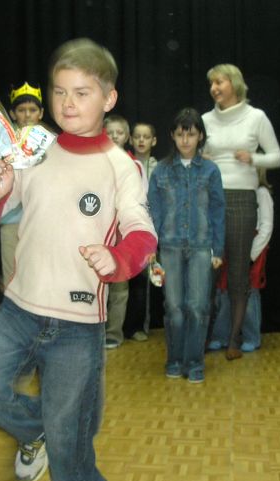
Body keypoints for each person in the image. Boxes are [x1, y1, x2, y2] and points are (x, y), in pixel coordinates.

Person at [0, 38, 157, 481]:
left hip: (77, 325)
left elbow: (142, 233)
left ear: (109, 99)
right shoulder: (34, 145)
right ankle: (40, 429)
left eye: (82, 92)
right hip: (18, 311)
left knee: (71, 449)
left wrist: (118, 258)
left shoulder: (121, 166)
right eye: (59, 91)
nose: (67, 103)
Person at [202, 63, 280, 361]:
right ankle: (207, 336)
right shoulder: (205, 119)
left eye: (219, 82)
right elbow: (191, 155)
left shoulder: (256, 117)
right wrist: (201, 157)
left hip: (242, 199)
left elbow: (277, 157)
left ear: (234, 84)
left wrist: (254, 157)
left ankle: (235, 339)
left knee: (237, 273)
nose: (214, 88)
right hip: (210, 199)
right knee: (208, 272)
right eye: (211, 84)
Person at [148, 107, 225, 384]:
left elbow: (218, 211)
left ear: (200, 136)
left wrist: (219, 249)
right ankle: (174, 359)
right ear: (172, 135)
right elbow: (153, 211)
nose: (185, 141)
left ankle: (194, 363)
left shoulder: (211, 171)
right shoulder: (160, 172)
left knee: (197, 307)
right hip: (168, 247)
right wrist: (150, 249)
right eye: (180, 134)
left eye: (191, 135)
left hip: (202, 248)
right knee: (174, 308)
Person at [0, 82, 46, 290]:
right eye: (21, 110)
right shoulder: (1, 143)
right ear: (12, 113)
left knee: (40, 278)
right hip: (11, 220)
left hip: (42, 221)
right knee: (12, 278)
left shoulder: (51, 143)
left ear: (41, 113)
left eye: (32, 110)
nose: (27, 115)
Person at [102, 114, 137, 349]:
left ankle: (114, 334)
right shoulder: (93, 161)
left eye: (119, 133)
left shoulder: (132, 164)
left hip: (122, 236)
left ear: (127, 137)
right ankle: (93, 332)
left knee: (119, 288)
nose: (114, 136)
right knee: (96, 286)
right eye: (110, 132)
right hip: (98, 234)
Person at [127, 121, 159, 342]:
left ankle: (139, 326)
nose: (141, 140)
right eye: (137, 136)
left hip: (148, 228)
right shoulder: (122, 162)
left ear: (154, 141)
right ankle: (119, 327)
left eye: (146, 137)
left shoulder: (159, 167)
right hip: (125, 227)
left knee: (142, 280)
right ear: (130, 139)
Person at [239, 168, 274, 352]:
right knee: (225, 290)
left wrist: (251, 255)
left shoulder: (262, 193)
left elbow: (266, 226)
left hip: (254, 248)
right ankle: (222, 335)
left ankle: (252, 336)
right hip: (236, 243)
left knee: (250, 291)